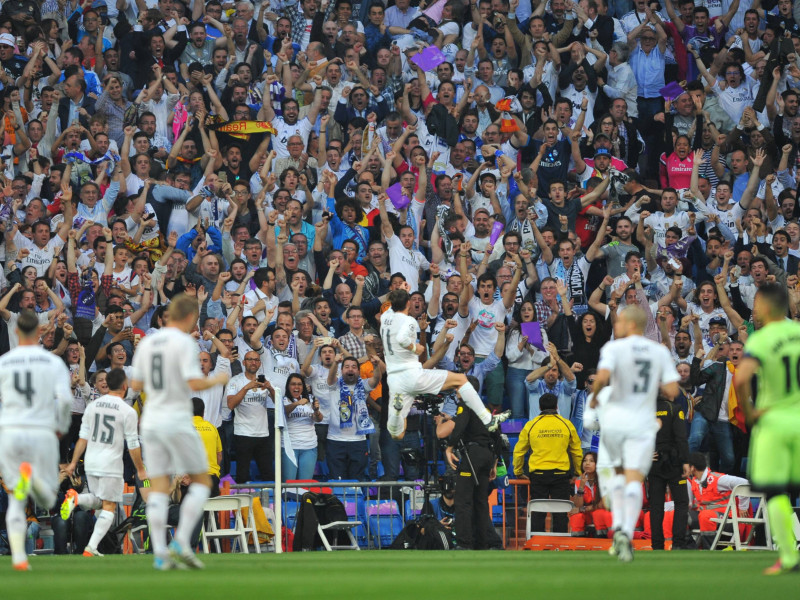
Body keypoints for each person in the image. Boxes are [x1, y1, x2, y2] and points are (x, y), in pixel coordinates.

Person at [130, 294, 231, 570]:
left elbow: (137, 382)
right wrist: (218, 378)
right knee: (201, 482)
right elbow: (194, 383)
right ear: (188, 318)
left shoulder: (149, 342)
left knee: (159, 490)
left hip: (151, 422)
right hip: (175, 419)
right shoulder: (184, 343)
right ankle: (182, 541)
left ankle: (161, 553)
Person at [590, 305, 680, 562]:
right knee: (634, 479)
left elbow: (602, 377)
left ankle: (620, 529)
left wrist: (595, 398)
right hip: (642, 424)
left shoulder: (613, 348)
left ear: (630, 324)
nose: (615, 325)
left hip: (617, 421)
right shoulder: (659, 352)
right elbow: (673, 391)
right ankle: (626, 532)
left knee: (619, 476)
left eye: (619, 322)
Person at [382, 287, 509, 440]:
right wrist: (416, 348)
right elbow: (403, 339)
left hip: (395, 379)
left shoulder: (386, 320)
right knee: (461, 379)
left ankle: (396, 414)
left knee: (397, 434)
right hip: (413, 375)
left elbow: (391, 305)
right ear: (408, 303)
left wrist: (397, 293)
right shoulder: (408, 321)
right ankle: (488, 419)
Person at [733, 283, 800, 574]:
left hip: (773, 423)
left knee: (775, 492)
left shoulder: (762, 339)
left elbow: (740, 378)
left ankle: (789, 557)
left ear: (768, 305)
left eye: (758, 302)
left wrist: (751, 413)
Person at [0, 310, 72, 571]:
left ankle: (19, 558)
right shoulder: (52, 362)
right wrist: (61, 427)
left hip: (10, 432)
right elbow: (65, 400)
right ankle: (33, 483)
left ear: (16, 332)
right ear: (40, 331)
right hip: (41, 431)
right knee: (47, 499)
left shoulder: (4, 362)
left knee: (16, 499)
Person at [60, 368, 146, 557]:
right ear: (124, 386)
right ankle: (91, 548)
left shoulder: (93, 406)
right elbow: (133, 444)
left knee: (99, 501)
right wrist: (140, 469)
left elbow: (82, 437)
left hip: (91, 461)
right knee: (109, 506)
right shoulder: (127, 411)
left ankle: (76, 498)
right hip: (111, 464)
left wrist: (74, 462)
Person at [512, 392, 583, 533]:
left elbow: (519, 451)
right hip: (561, 475)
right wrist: (578, 473)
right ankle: (559, 546)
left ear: (539, 407)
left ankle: (536, 545)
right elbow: (576, 451)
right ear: (557, 406)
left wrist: (518, 471)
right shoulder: (566, 424)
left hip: (538, 475)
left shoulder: (531, 425)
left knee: (538, 512)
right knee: (561, 512)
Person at [444, 376, 499, 550]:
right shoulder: (485, 408)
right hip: (486, 455)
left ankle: (464, 543)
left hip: (472, 455)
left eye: (458, 387)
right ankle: (483, 543)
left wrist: (450, 447)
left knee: (463, 501)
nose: (456, 390)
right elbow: (497, 436)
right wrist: (494, 462)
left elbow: (459, 427)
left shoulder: (466, 405)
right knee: (480, 501)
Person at [648, 393, 690, 551]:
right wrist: (685, 461)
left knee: (656, 506)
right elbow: (681, 437)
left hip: (653, 462)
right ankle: (678, 544)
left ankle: (657, 546)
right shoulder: (675, 409)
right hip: (674, 463)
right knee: (681, 503)